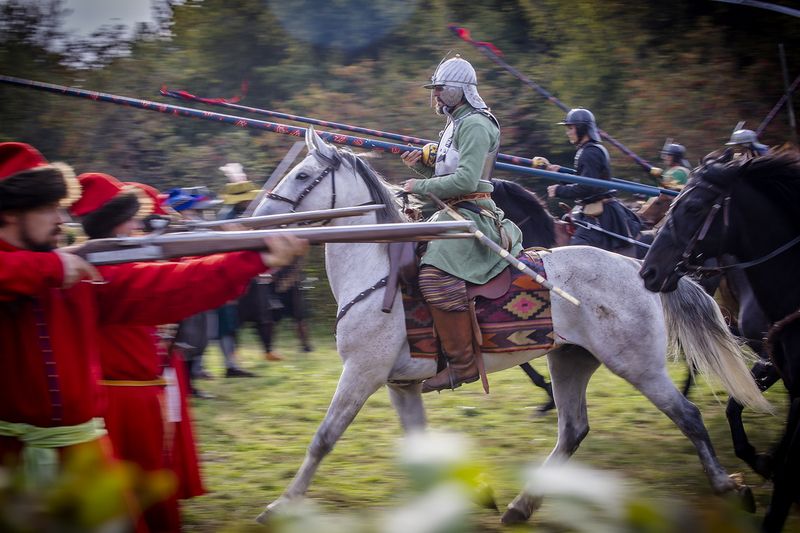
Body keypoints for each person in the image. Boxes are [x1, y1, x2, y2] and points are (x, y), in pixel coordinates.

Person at [0, 143, 307, 527]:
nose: (62, 220)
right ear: (11, 212)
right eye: (49, 208)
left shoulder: (69, 273)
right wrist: (51, 269)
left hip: (82, 453)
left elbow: (162, 285)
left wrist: (252, 258)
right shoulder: (48, 270)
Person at [400, 55, 523, 393]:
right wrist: (422, 171)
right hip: (451, 213)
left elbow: (467, 182)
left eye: (441, 88)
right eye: (435, 89)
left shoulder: (476, 124)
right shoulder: (454, 123)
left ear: (459, 89)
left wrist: (419, 186)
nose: (436, 94)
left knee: (434, 275)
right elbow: (449, 179)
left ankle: (463, 364)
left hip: (474, 217)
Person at [543, 108, 641, 255]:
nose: (568, 132)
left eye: (571, 128)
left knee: (575, 252)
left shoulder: (590, 152)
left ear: (582, 129)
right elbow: (584, 180)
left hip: (602, 215)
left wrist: (558, 190)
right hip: (591, 210)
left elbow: (587, 187)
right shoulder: (589, 150)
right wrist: (560, 175)